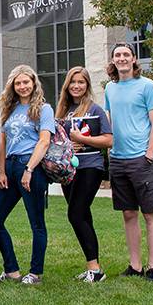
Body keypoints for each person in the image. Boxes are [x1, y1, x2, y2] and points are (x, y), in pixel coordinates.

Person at [0, 65, 54, 285]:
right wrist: (1, 171)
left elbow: (44, 141)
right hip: (10, 166)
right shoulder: (10, 109)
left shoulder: (44, 109)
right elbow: (3, 142)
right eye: (18, 83)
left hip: (31, 168)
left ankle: (35, 273)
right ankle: (12, 270)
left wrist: (29, 169)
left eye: (26, 82)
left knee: (36, 223)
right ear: (13, 86)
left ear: (33, 83)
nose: (23, 86)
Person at [105, 43, 153, 281]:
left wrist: (149, 154)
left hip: (142, 159)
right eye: (117, 55)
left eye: (126, 54)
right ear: (113, 60)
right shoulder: (110, 87)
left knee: (150, 213)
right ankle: (135, 265)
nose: (122, 58)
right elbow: (109, 121)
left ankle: (152, 267)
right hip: (118, 159)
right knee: (128, 214)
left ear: (134, 59)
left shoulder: (147, 86)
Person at [55, 66, 112, 283]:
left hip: (91, 168)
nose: (77, 86)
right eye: (73, 82)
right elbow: (57, 140)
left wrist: (83, 140)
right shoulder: (63, 110)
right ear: (67, 85)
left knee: (75, 214)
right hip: (68, 169)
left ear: (87, 85)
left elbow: (108, 140)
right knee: (83, 215)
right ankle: (93, 268)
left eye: (81, 82)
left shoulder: (95, 110)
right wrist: (68, 143)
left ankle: (95, 270)